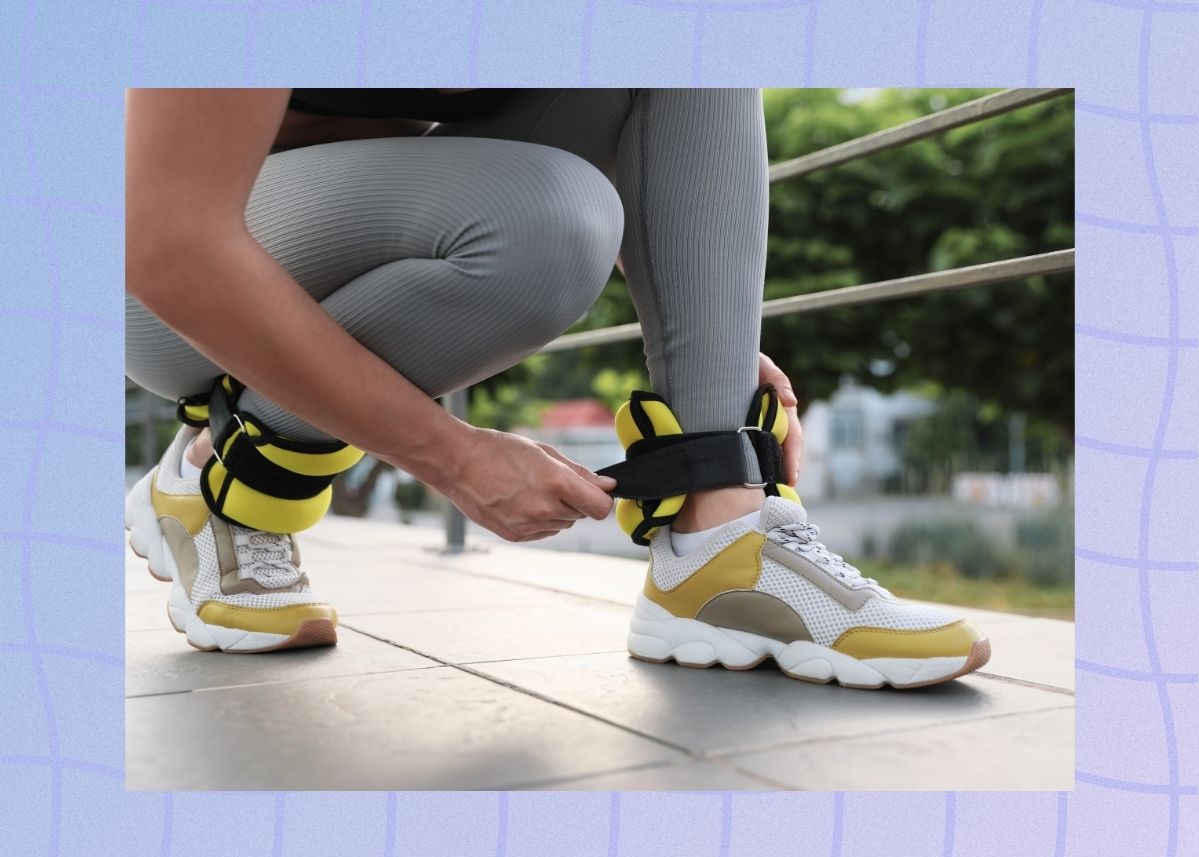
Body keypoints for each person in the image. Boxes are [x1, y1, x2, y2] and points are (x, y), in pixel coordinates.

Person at [125, 88, 989, 687]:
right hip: (167, 256)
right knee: (545, 221)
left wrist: (708, 355)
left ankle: (720, 541)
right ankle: (226, 476)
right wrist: (452, 456)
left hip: (364, 210)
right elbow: (166, 241)